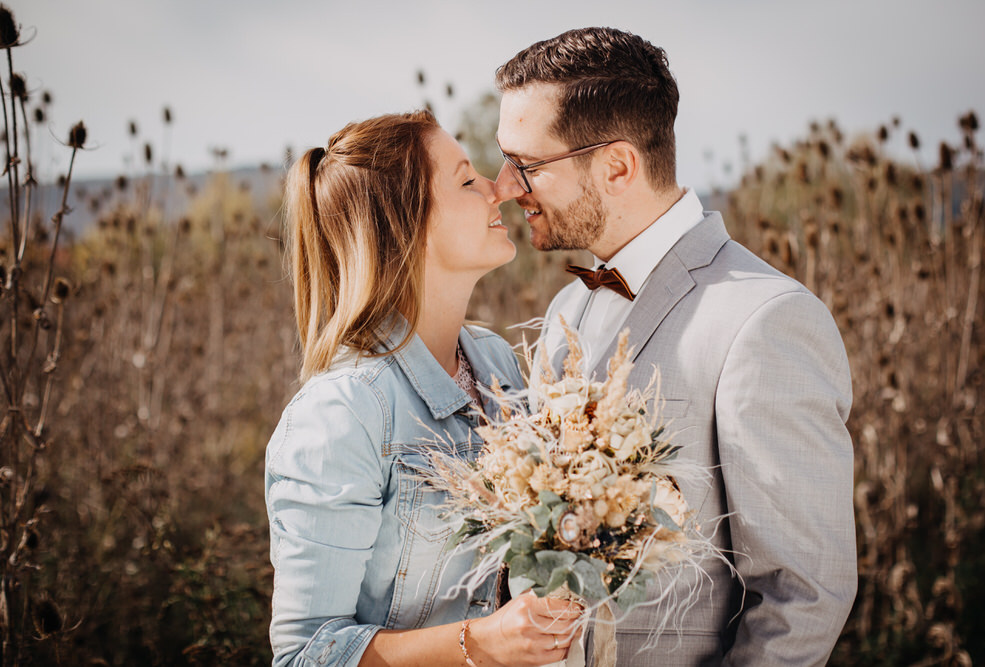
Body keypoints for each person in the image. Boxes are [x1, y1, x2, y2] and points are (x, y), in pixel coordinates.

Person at [493, 28, 856, 665]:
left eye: (528, 165)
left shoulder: (765, 320)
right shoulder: (564, 310)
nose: (505, 185)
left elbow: (804, 593)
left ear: (617, 166)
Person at [266, 110, 582, 667]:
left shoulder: (498, 363)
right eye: (466, 180)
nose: (499, 188)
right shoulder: (343, 413)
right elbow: (304, 654)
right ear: (406, 224)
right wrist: (483, 643)